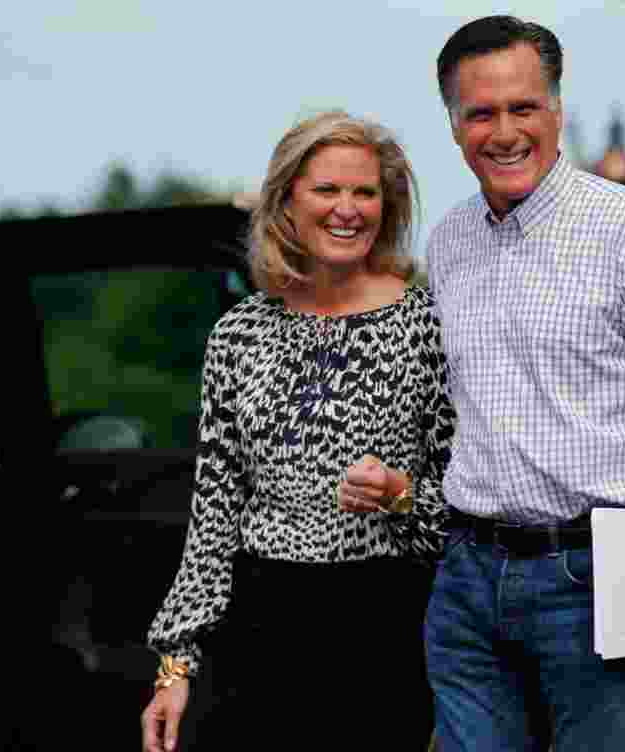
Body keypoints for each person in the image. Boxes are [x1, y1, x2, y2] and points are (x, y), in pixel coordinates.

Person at [423, 16, 625, 752]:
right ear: (453, 126)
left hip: (600, 582)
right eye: (481, 113)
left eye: (523, 108)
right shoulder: (446, 244)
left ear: (557, 111)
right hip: (468, 586)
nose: (504, 131)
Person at [140, 111, 454, 752]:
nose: (349, 209)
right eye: (327, 190)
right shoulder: (239, 334)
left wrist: (399, 493)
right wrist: (174, 668)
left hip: (382, 627)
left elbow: (461, 518)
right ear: (287, 201)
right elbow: (213, 519)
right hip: (258, 626)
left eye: (364, 192)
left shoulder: (430, 324)